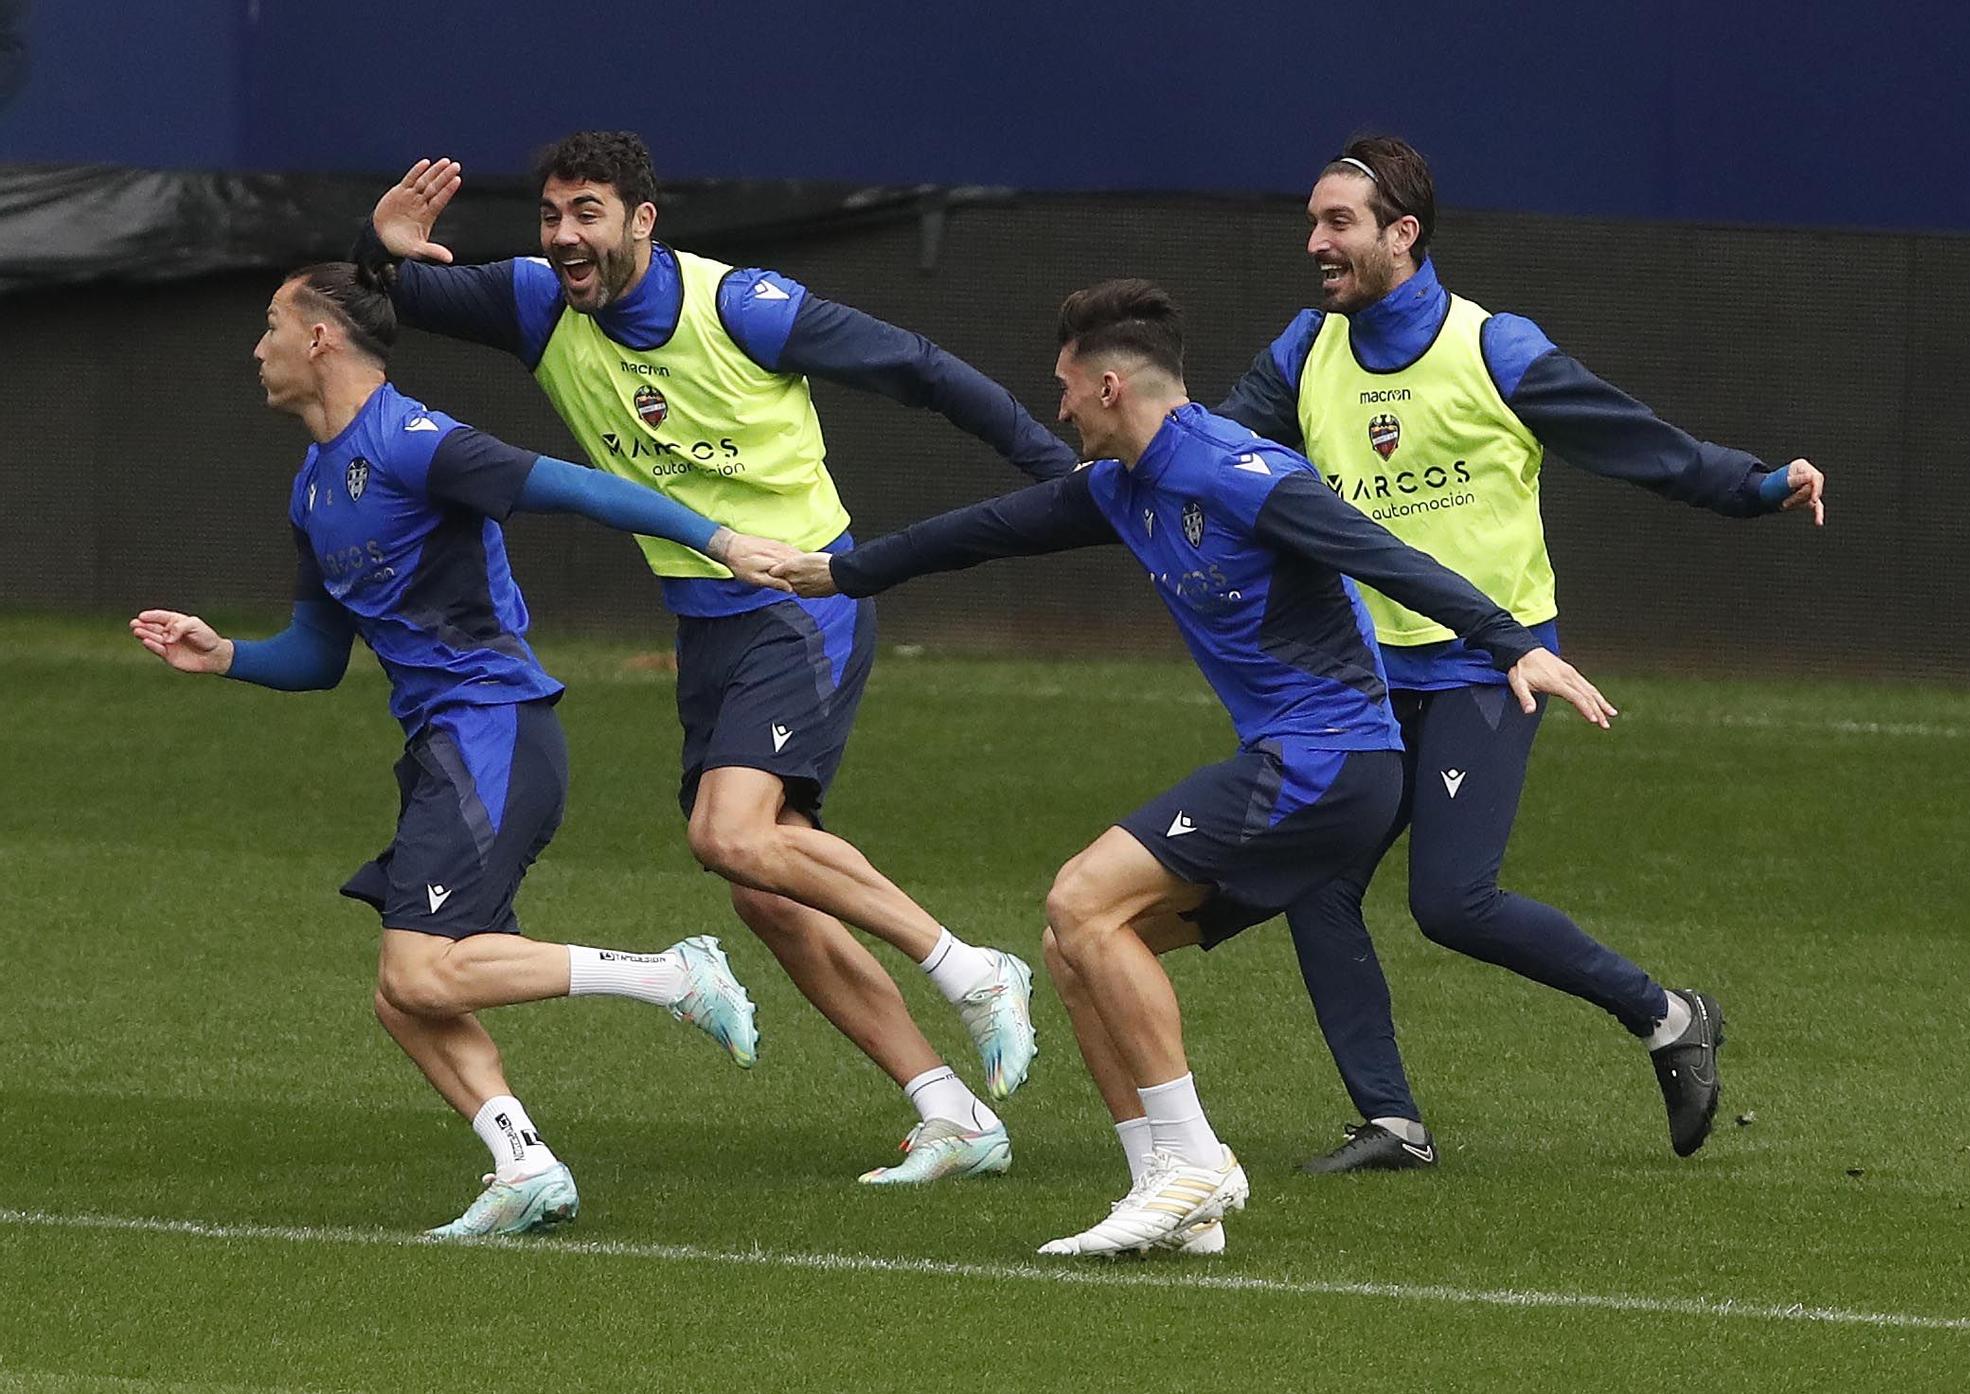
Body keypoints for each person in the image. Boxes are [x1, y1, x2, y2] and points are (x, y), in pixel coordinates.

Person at [772, 279, 1617, 1256]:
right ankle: (1170, 1197)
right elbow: (981, 532)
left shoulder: (1237, 470)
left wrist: (1512, 642)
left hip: (1330, 765)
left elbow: (1383, 555)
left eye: (1060, 387)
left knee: (1081, 898)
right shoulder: (1120, 484)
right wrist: (843, 571)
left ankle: (1194, 1161)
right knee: (1075, 944)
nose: (1053, 407)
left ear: (1105, 386)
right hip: (1299, 766)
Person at [353, 132, 1072, 1182]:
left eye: (587, 213)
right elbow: (357, 306)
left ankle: (969, 967)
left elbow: (917, 369)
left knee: (728, 834)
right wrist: (378, 248)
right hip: (706, 624)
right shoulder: (533, 301)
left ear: (644, 221)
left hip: (799, 599)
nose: (563, 237)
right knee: (764, 887)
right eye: (550, 215)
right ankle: (949, 1108)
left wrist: (1059, 476)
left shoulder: (741, 306)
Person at [131, 262, 780, 1237]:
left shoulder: (413, 441)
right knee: (406, 995)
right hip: (446, 745)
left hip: (496, 730)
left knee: (425, 974)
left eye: (272, 324)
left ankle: (673, 975)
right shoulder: (314, 487)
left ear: (321, 339)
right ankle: (524, 1164)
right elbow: (316, 655)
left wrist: (718, 539)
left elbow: (583, 491)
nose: (256, 347)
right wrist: (225, 654)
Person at [1216, 136, 1826, 1172]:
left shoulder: (1492, 347)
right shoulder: (1303, 348)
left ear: (1400, 235)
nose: (1314, 241)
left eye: (1337, 223)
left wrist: (1758, 483)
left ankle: (1670, 1015)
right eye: (1312, 220)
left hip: (1486, 668)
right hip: (1366, 679)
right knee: (1314, 885)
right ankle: (1392, 1123)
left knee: (1451, 900)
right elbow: (1212, 455)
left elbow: (1636, 440)